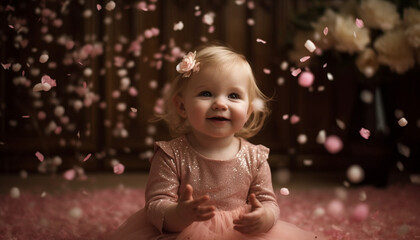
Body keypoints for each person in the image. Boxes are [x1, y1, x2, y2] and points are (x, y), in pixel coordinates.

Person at [109, 44, 324, 240]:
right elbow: (155, 206)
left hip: (240, 232)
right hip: (186, 231)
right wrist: (180, 214)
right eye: (206, 93)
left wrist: (264, 217)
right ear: (181, 106)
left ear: (248, 112)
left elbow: (268, 201)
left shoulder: (255, 157)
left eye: (233, 96)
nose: (220, 104)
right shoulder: (171, 155)